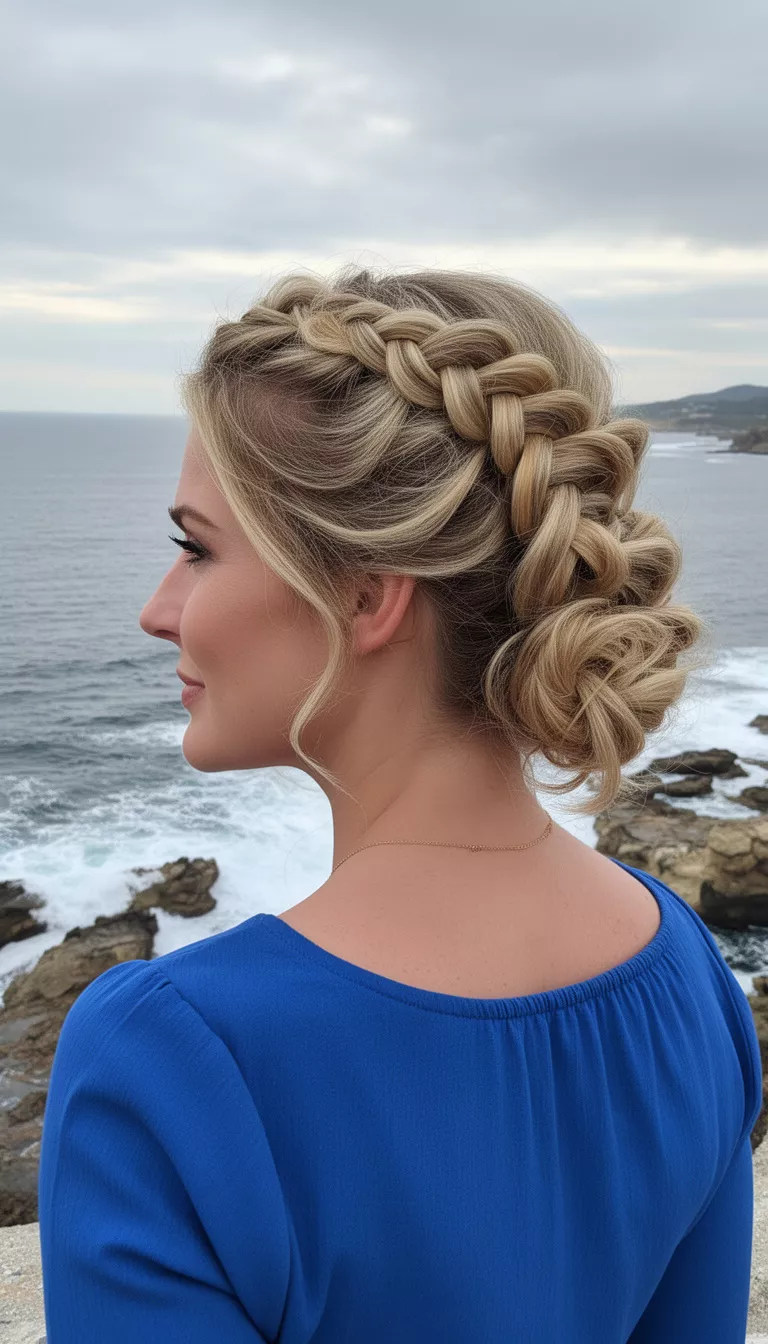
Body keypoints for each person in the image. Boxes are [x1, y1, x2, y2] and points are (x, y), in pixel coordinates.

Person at [37, 267, 762, 1341]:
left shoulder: (173, 1061)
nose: (157, 611)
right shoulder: (685, 975)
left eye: (196, 548)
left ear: (365, 598)